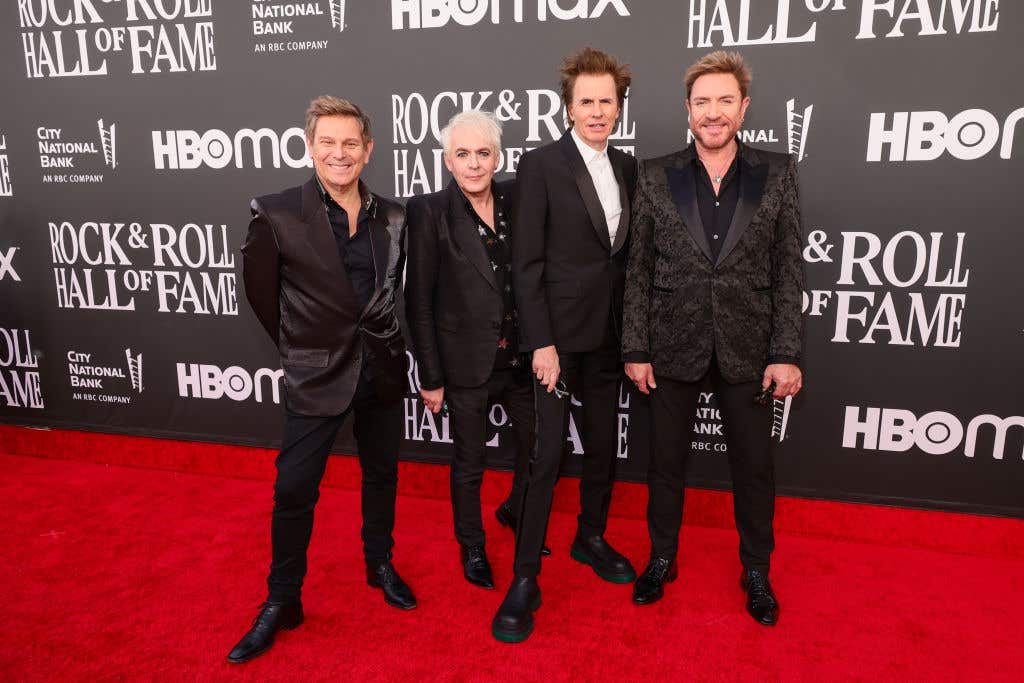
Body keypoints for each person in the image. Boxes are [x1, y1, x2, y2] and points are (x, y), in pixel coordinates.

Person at [228, 96, 414, 663]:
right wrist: (304, 349)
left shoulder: (395, 215)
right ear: (310, 147)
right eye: (328, 143)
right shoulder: (277, 212)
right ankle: (282, 599)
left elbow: (390, 294)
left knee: (381, 473)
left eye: (350, 143)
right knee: (293, 489)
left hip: (381, 366)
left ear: (368, 149)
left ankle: (378, 561)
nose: (340, 154)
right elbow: (262, 297)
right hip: (317, 373)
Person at [622, 51, 805, 626]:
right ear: (688, 109)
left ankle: (756, 570)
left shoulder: (777, 172)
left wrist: (786, 352)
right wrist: (635, 347)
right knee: (665, 463)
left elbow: (789, 266)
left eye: (725, 100)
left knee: (754, 468)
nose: (713, 112)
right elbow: (638, 267)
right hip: (671, 344)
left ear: (744, 106)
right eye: (702, 102)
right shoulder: (655, 174)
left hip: (750, 347)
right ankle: (662, 557)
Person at [492, 47, 638, 643]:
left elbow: (624, 259)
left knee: (603, 447)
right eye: (587, 102)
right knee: (545, 456)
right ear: (569, 106)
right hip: (554, 343)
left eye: (607, 101)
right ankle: (525, 578)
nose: (597, 111)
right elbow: (525, 264)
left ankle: (591, 536)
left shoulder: (629, 168)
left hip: (608, 339)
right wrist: (541, 344)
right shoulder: (541, 165)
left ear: (619, 106)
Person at [405, 109, 547, 591]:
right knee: (470, 463)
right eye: (462, 154)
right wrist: (430, 375)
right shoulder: (428, 212)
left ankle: (517, 514)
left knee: (537, 452)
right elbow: (418, 300)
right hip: (466, 365)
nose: (473, 164)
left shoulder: (514, 197)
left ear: (497, 157)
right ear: (448, 161)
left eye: (482, 153)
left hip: (521, 358)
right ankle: (472, 543)